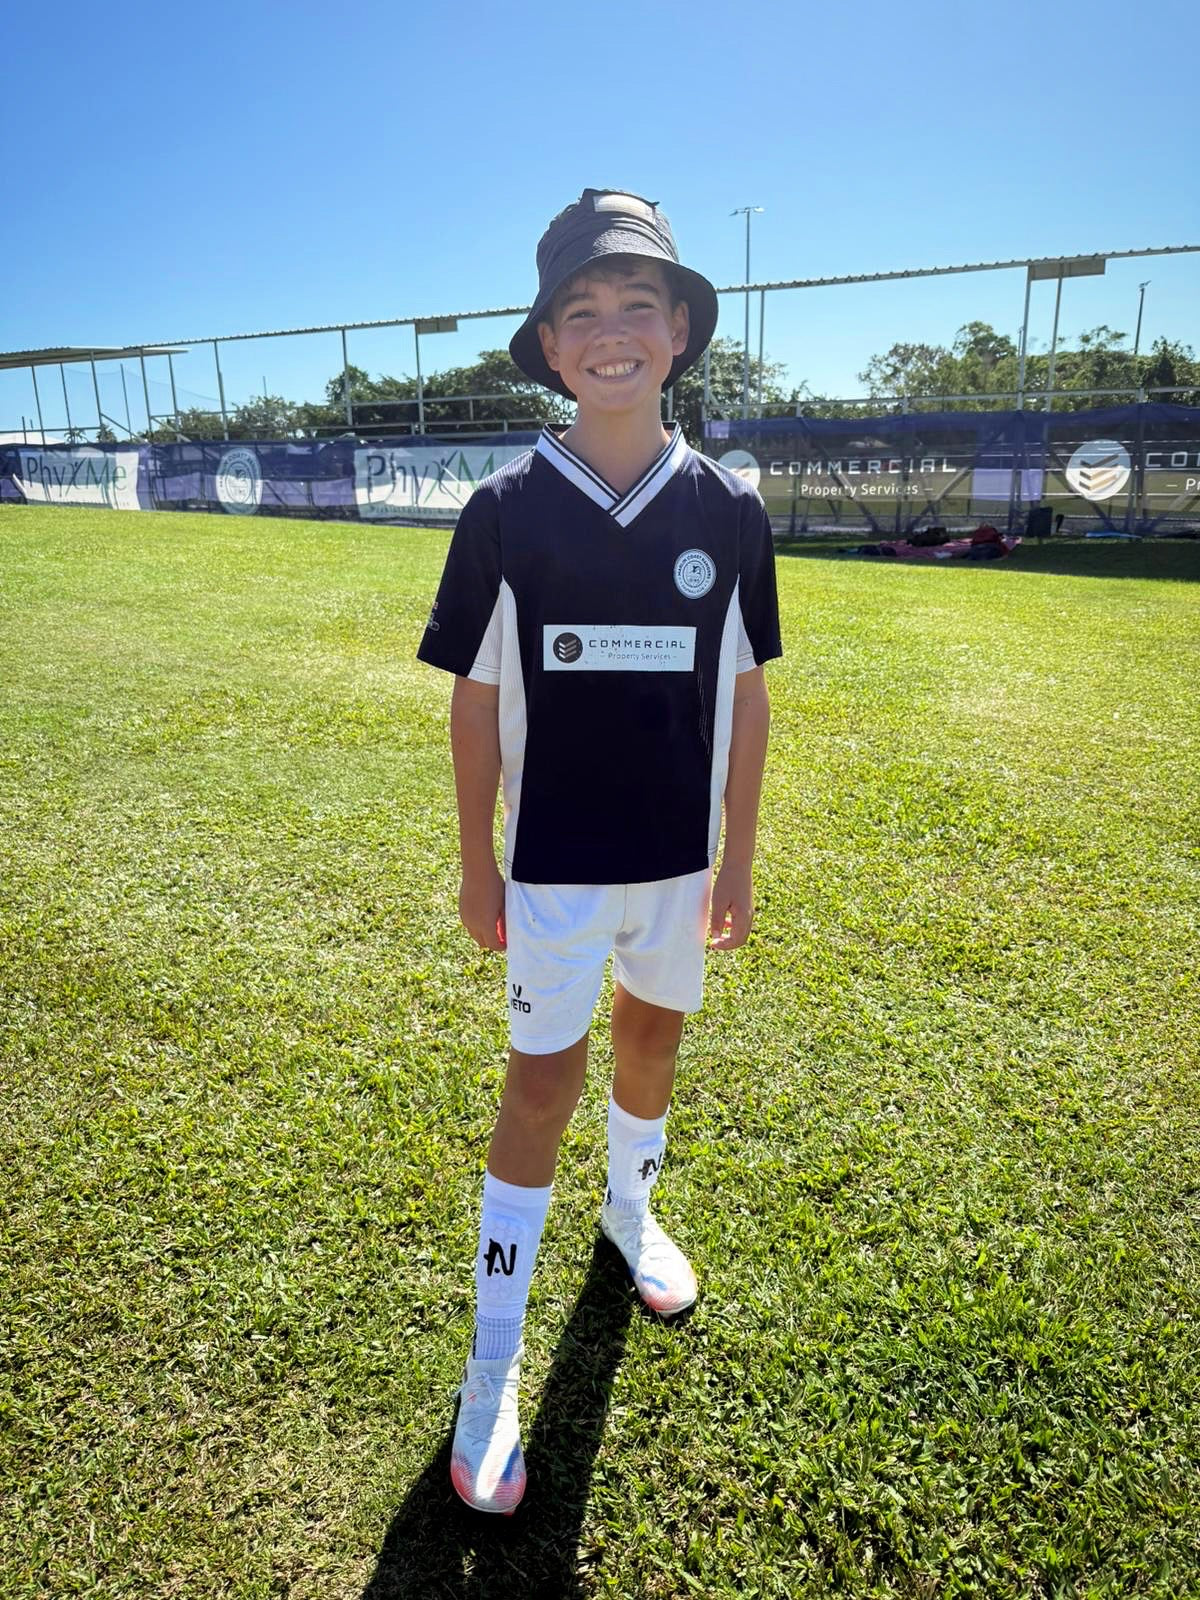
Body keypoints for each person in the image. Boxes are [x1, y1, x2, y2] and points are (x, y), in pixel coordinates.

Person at [416, 188, 782, 1514]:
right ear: (552, 346)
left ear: (680, 330)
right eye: (584, 311)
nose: (613, 330)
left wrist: (737, 857)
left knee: (652, 1045)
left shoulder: (730, 509)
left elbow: (744, 691)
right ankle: (494, 1362)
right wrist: (477, 860)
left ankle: (630, 1215)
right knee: (539, 1085)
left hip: (679, 867)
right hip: (557, 870)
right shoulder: (505, 508)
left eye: (640, 304)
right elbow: (470, 699)